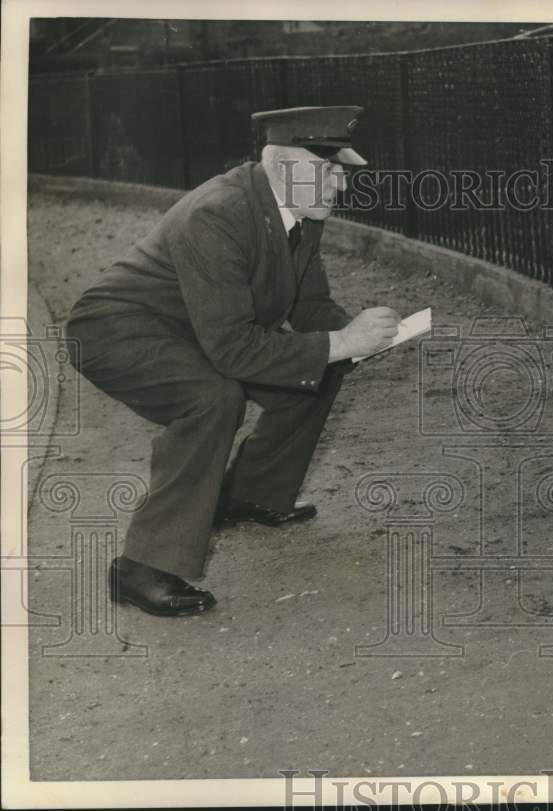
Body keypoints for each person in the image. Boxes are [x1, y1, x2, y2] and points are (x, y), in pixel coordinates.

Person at [65, 105, 401, 618]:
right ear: (288, 168)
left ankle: (247, 495)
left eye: (339, 173)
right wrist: (341, 341)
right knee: (209, 398)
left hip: (196, 329)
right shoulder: (218, 213)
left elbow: (309, 306)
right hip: (118, 329)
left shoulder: (300, 212)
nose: (342, 186)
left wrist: (357, 337)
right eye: (330, 171)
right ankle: (140, 567)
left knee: (325, 361)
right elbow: (231, 350)